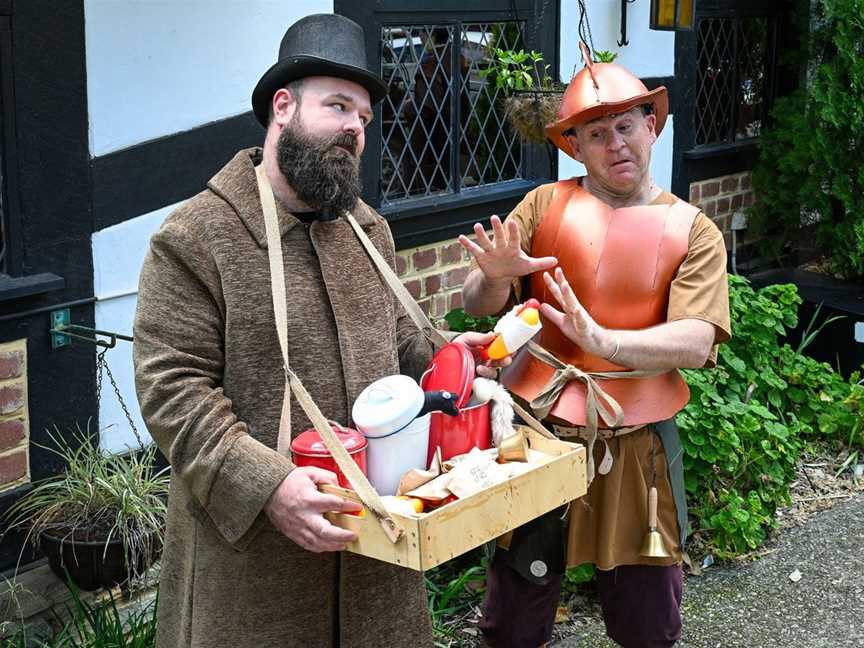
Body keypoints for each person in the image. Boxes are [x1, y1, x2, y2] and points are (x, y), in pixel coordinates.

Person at [133, 14, 499, 648]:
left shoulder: (368, 231)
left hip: (376, 562)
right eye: (337, 106)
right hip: (253, 570)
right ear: (283, 107)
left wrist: (452, 359)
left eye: (363, 116)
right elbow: (173, 392)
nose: (355, 128)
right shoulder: (195, 237)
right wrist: (268, 485)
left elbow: (403, 348)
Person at [459, 54, 731, 648]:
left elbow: (696, 338)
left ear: (652, 125)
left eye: (627, 125)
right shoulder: (543, 205)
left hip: (638, 442)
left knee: (647, 617)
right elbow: (478, 302)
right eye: (597, 133)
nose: (616, 144)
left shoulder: (693, 229)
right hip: (539, 432)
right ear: (575, 147)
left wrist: (602, 342)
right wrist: (496, 279)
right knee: (515, 608)